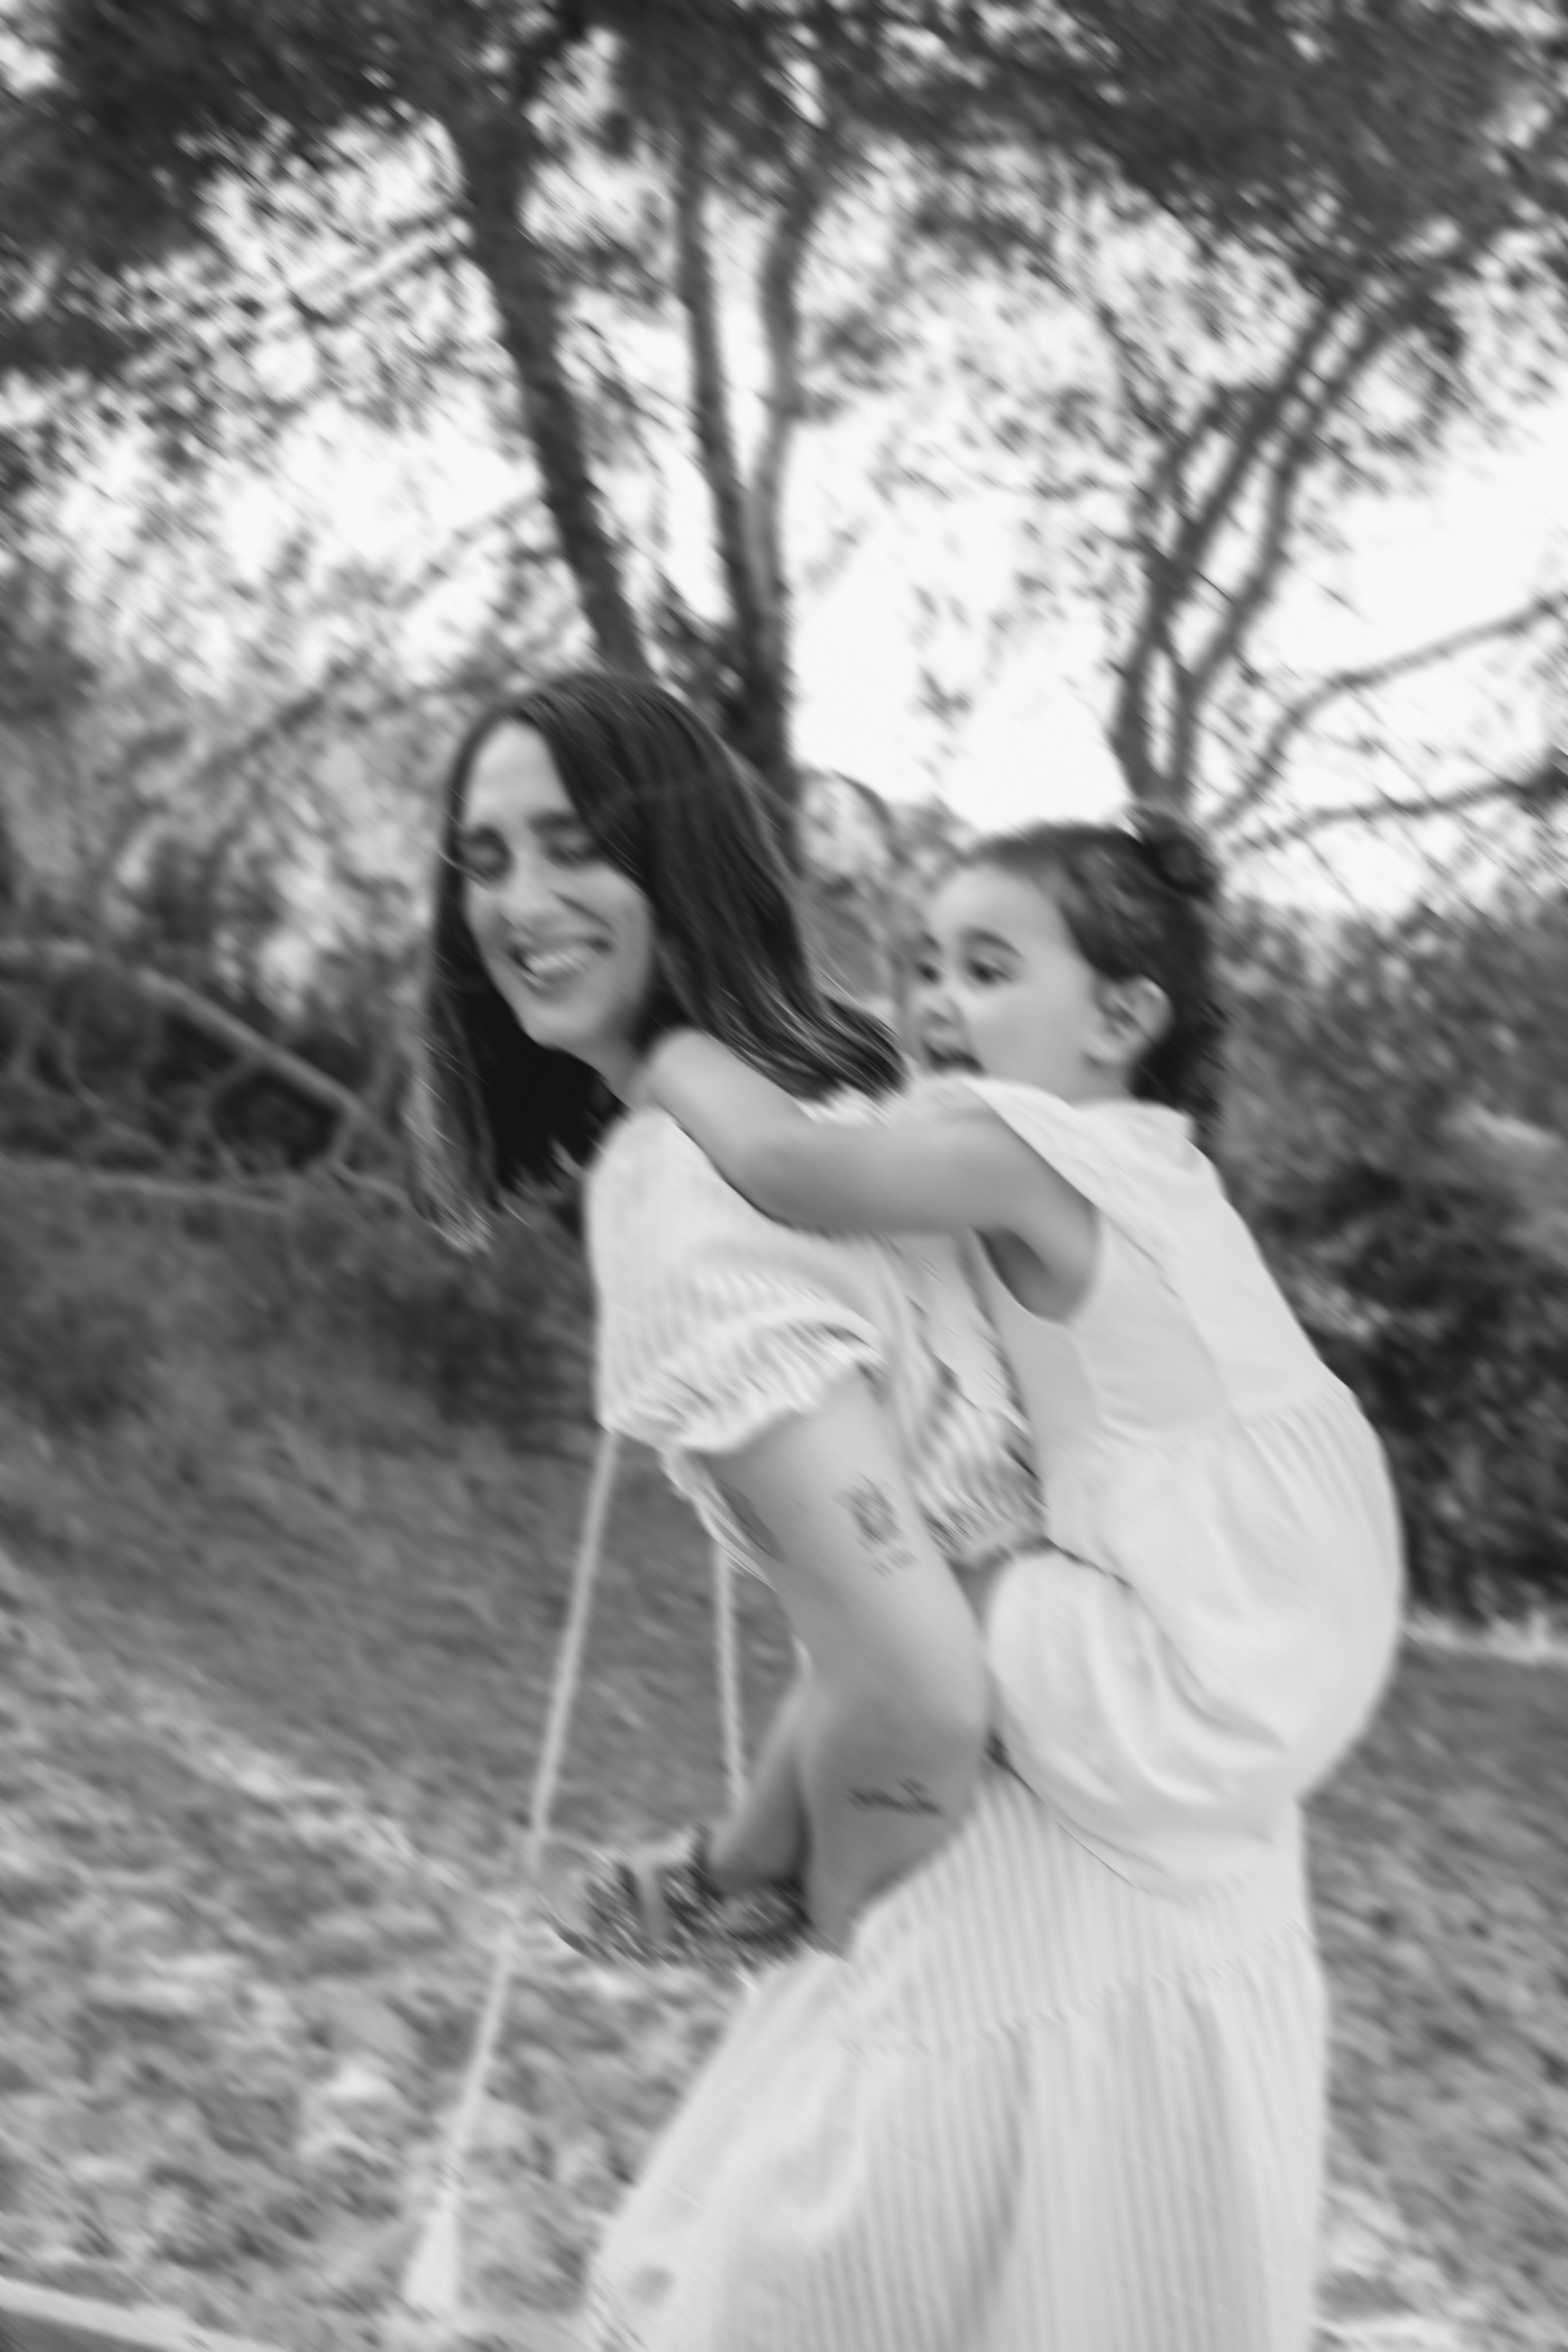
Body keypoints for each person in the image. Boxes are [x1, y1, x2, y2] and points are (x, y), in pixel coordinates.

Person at [412, 667, 1342, 2352]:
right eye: (484, 860)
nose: (522, 903)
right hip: (1205, 1897)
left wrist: (820, 1906)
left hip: (1020, 1954)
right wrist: (737, 1855)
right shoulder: (909, 1110)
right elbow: (939, 1572)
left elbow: (919, 1674)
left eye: (572, 846)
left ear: (680, 861)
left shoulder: (697, 1176)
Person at [640, 815, 1404, 1893]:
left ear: (1122, 1017)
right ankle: (776, 1856)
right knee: (914, 1587)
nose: (937, 1000)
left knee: (893, 1602)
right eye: (926, 968)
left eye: (986, 971)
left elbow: (784, 1166)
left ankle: (745, 1870)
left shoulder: (1021, 1153)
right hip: (1305, 1633)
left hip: (1203, 1671)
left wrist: (668, 1050)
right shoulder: (1150, 1156)